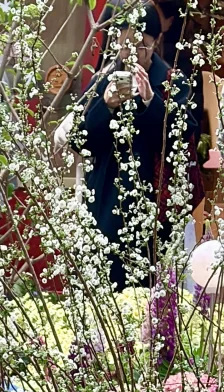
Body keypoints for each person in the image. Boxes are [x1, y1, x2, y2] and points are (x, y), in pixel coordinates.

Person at [76, 4, 196, 288]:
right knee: (102, 278)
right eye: (124, 44)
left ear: (155, 41)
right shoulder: (103, 80)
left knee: (147, 284)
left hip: (152, 202)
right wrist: (105, 106)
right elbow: (79, 140)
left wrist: (151, 101)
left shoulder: (172, 82)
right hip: (105, 196)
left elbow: (183, 136)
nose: (130, 53)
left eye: (140, 45)